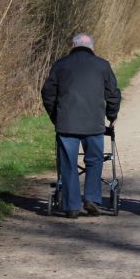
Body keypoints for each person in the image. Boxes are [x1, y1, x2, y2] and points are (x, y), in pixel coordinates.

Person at [41, 33, 121, 218]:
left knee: (68, 164)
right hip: (94, 123)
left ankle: (72, 207)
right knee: (94, 161)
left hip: (67, 124)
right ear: (92, 48)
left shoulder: (61, 65)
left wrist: (55, 116)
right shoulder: (102, 65)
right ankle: (91, 198)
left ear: (72, 46)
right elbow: (113, 93)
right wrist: (112, 115)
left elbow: (48, 93)